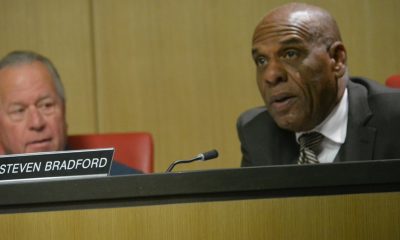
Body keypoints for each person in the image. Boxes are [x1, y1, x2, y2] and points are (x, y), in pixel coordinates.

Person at [237, 3, 400, 166]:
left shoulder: (394, 119)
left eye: (290, 54)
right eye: (262, 61)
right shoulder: (257, 131)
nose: (271, 76)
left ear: (337, 59)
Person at [0, 50, 140, 175]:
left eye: (46, 105)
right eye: (18, 111)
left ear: (64, 110)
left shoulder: (125, 184)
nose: (37, 122)